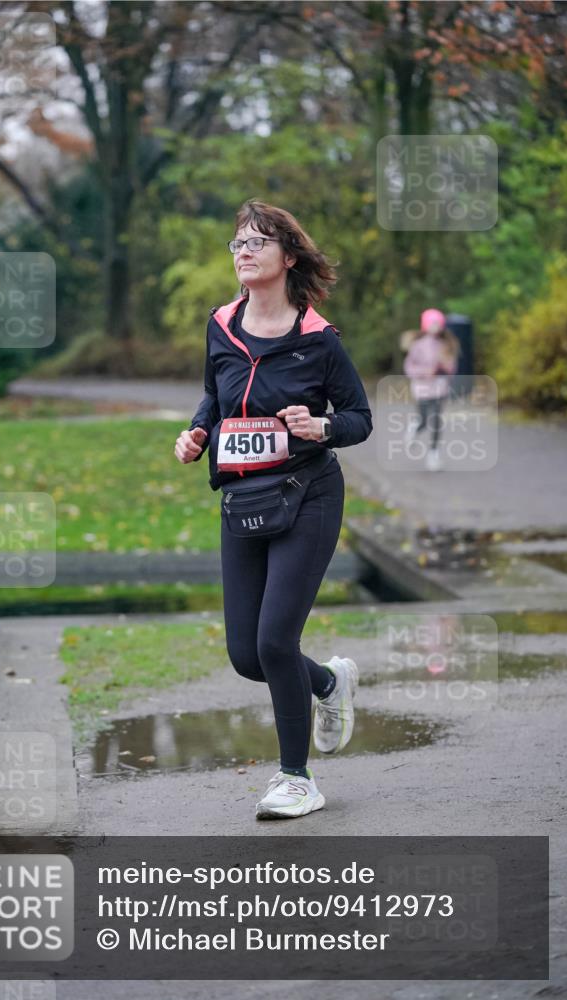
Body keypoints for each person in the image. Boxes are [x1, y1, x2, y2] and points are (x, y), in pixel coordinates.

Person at [174, 200, 372, 820]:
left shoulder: (318, 341)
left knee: (275, 640)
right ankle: (329, 684)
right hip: (243, 499)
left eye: (258, 242)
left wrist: (320, 426)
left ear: (289, 257)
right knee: (246, 654)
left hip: (308, 496)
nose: (243, 251)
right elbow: (214, 392)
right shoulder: (221, 324)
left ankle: (296, 779)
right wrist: (198, 432)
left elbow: (360, 420)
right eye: (237, 243)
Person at [402, 309, 460, 471]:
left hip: (440, 389)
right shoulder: (418, 346)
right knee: (424, 419)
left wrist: (446, 369)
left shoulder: (445, 345)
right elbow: (409, 367)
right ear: (426, 325)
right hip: (422, 389)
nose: (435, 327)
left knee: (436, 422)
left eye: (438, 324)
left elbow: (452, 367)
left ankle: (434, 454)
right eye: (432, 323)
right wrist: (425, 372)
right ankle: (414, 428)